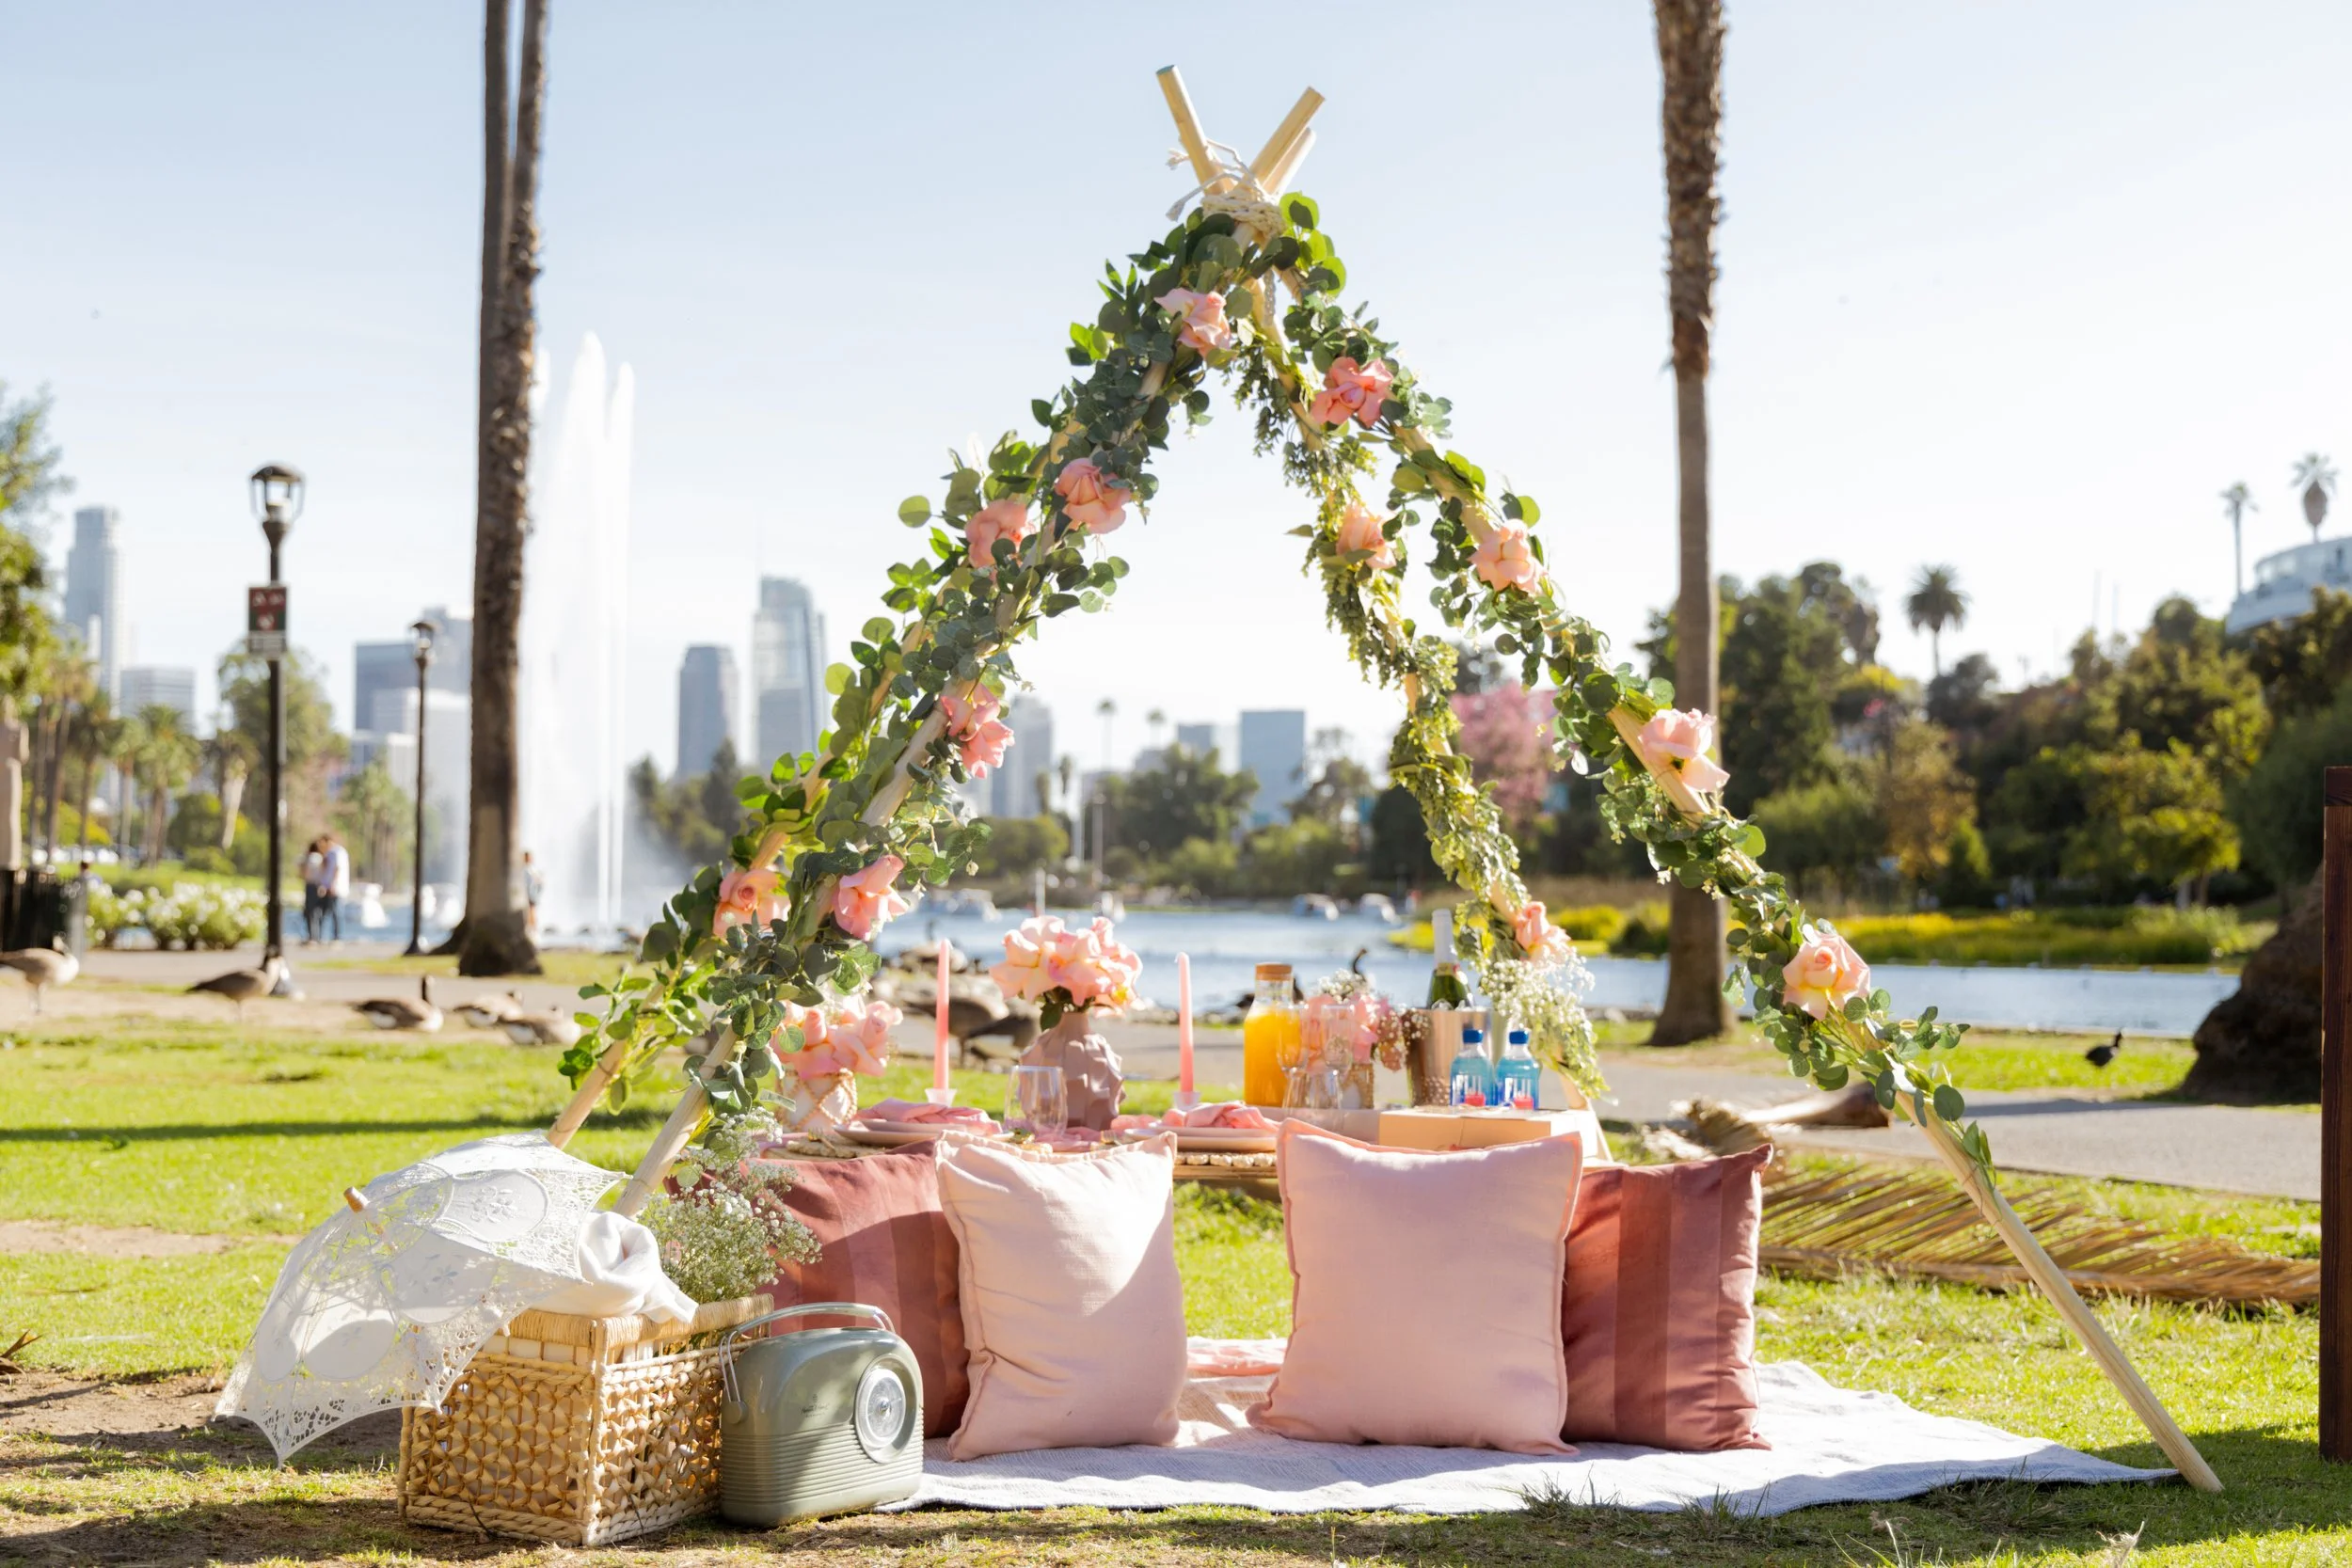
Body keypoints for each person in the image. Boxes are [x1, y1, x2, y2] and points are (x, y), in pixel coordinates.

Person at [320, 833, 351, 942]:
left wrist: (333, 884)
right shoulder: (332, 853)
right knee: (329, 912)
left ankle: (338, 937)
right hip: (331, 887)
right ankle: (326, 936)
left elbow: (337, 868)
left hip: (335, 888)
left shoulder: (336, 852)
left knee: (336, 912)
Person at [300, 838, 326, 944]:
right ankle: (317, 936)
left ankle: (312, 936)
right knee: (317, 912)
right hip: (319, 885)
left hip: (311, 885)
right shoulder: (321, 858)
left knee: (310, 912)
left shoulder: (311, 858)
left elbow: (305, 873)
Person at [521, 848, 544, 937]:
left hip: (530, 894)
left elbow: (539, 881)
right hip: (528, 894)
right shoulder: (527, 869)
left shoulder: (530, 869)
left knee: (531, 911)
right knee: (529, 912)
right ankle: (531, 929)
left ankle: (533, 929)